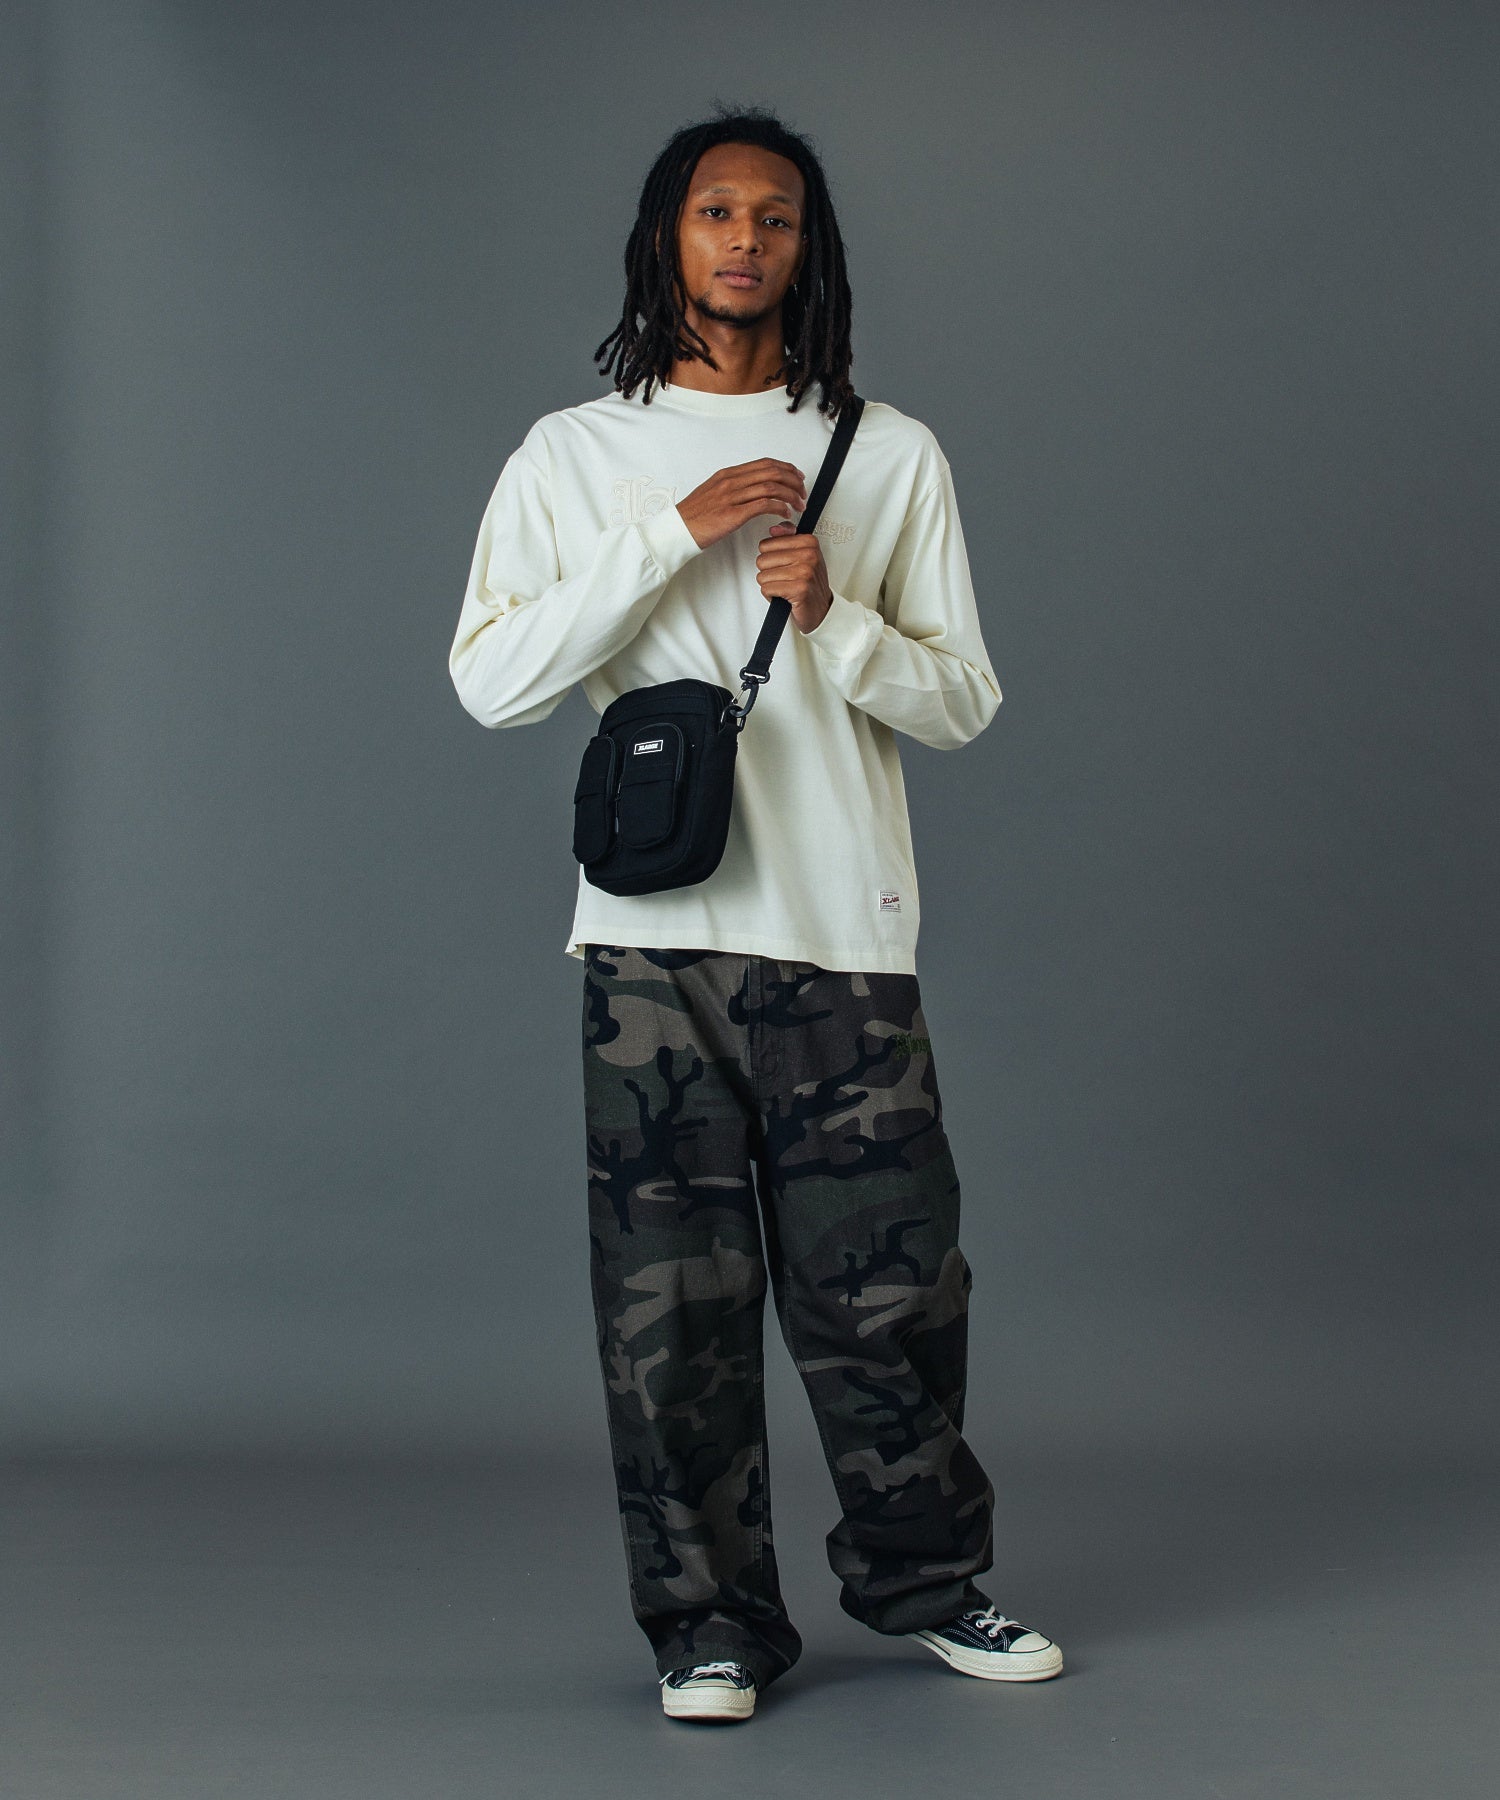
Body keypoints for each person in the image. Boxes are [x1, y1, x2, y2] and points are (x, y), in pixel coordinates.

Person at [447, 104, 1063, 1724]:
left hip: (845, 932)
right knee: (674, 1311)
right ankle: (708, 1626)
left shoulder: (891, 451)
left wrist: (834, 617)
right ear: (668, 235)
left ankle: (932, 1583)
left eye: (774, 216)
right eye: (714, 211)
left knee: (895, 1293)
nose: (744, 239)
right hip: (652, 943)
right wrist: (674, 533)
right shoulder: (575, 454)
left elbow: (964, 702)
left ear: (810, 248)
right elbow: (494, 680)